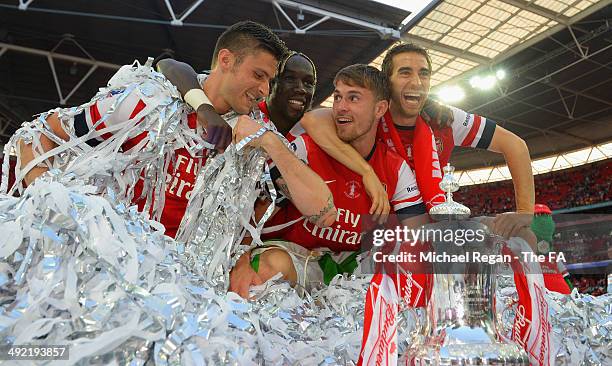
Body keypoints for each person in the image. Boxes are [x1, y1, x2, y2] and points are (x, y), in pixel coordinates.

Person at [15, 21, 333, 238]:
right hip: (112, 262)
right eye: (258, 75)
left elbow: (323, 212)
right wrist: (54, 210)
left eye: (269, 81)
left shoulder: (254, 134)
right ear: (226, 60)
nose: (265, 90)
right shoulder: (148, 104)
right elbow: (36, 135)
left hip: (181, 293)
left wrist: (270, 143)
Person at [229, 65, 429, 298]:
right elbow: (258, 211)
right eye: (337, 97)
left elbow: (418, 235)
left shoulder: (395, 167)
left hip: (354, 263)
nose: (341, 107)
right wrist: (243, 258)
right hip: (299, 256)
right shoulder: (305, 149)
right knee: (265, 271)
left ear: (380, 108)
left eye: (353, 98)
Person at [299, 43, 535, 239]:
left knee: (524, 236)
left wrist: (525, 212)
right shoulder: (370, 115)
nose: (417, 82)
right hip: (385, 228)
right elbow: (314, 121)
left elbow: (515, 145)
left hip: (439, 223)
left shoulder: (445, 119)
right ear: (387, 82)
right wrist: (366, 172)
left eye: (424, 73)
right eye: (405, 73)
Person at [158, 52, 390, 222]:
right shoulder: (242, 111)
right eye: (290, 79)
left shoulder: (301, 131)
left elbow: (313, 120)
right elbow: (169, 64)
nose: (301, 88)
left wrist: (366, 172)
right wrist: (205, 109)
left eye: (309, 84)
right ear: (271, 84)